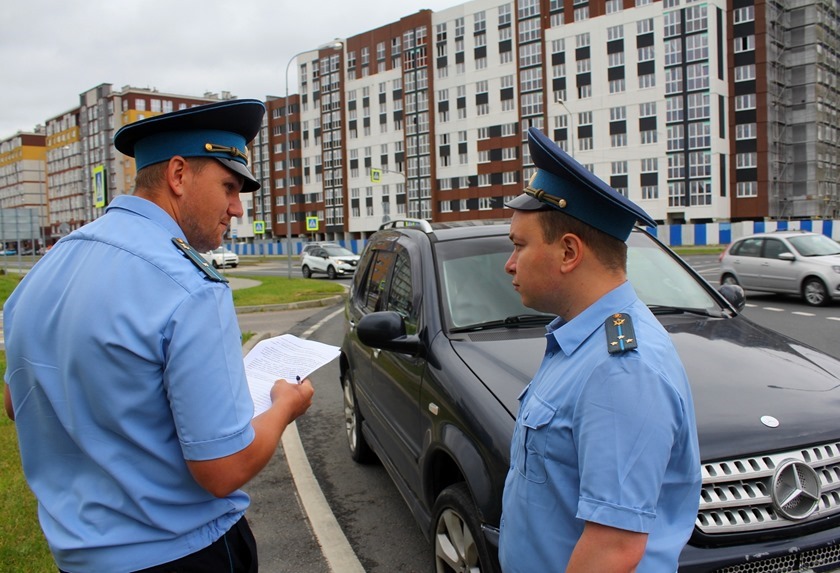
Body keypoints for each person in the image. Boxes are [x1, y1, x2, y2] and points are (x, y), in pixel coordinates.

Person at [3, 99, 314, 573]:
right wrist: (284, 407)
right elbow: (223, 470)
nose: (236, 207)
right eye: (229, 186)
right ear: (177, 175)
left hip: (78, 557)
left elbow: (15, 400)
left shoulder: (46, 269)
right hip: (183, 553)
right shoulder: (189, 287)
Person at [498, 127, 701, 572]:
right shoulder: (581, 341)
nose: (510, 264)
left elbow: (614, 549)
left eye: (519, 246)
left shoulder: (621, 369)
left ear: (569, 252)